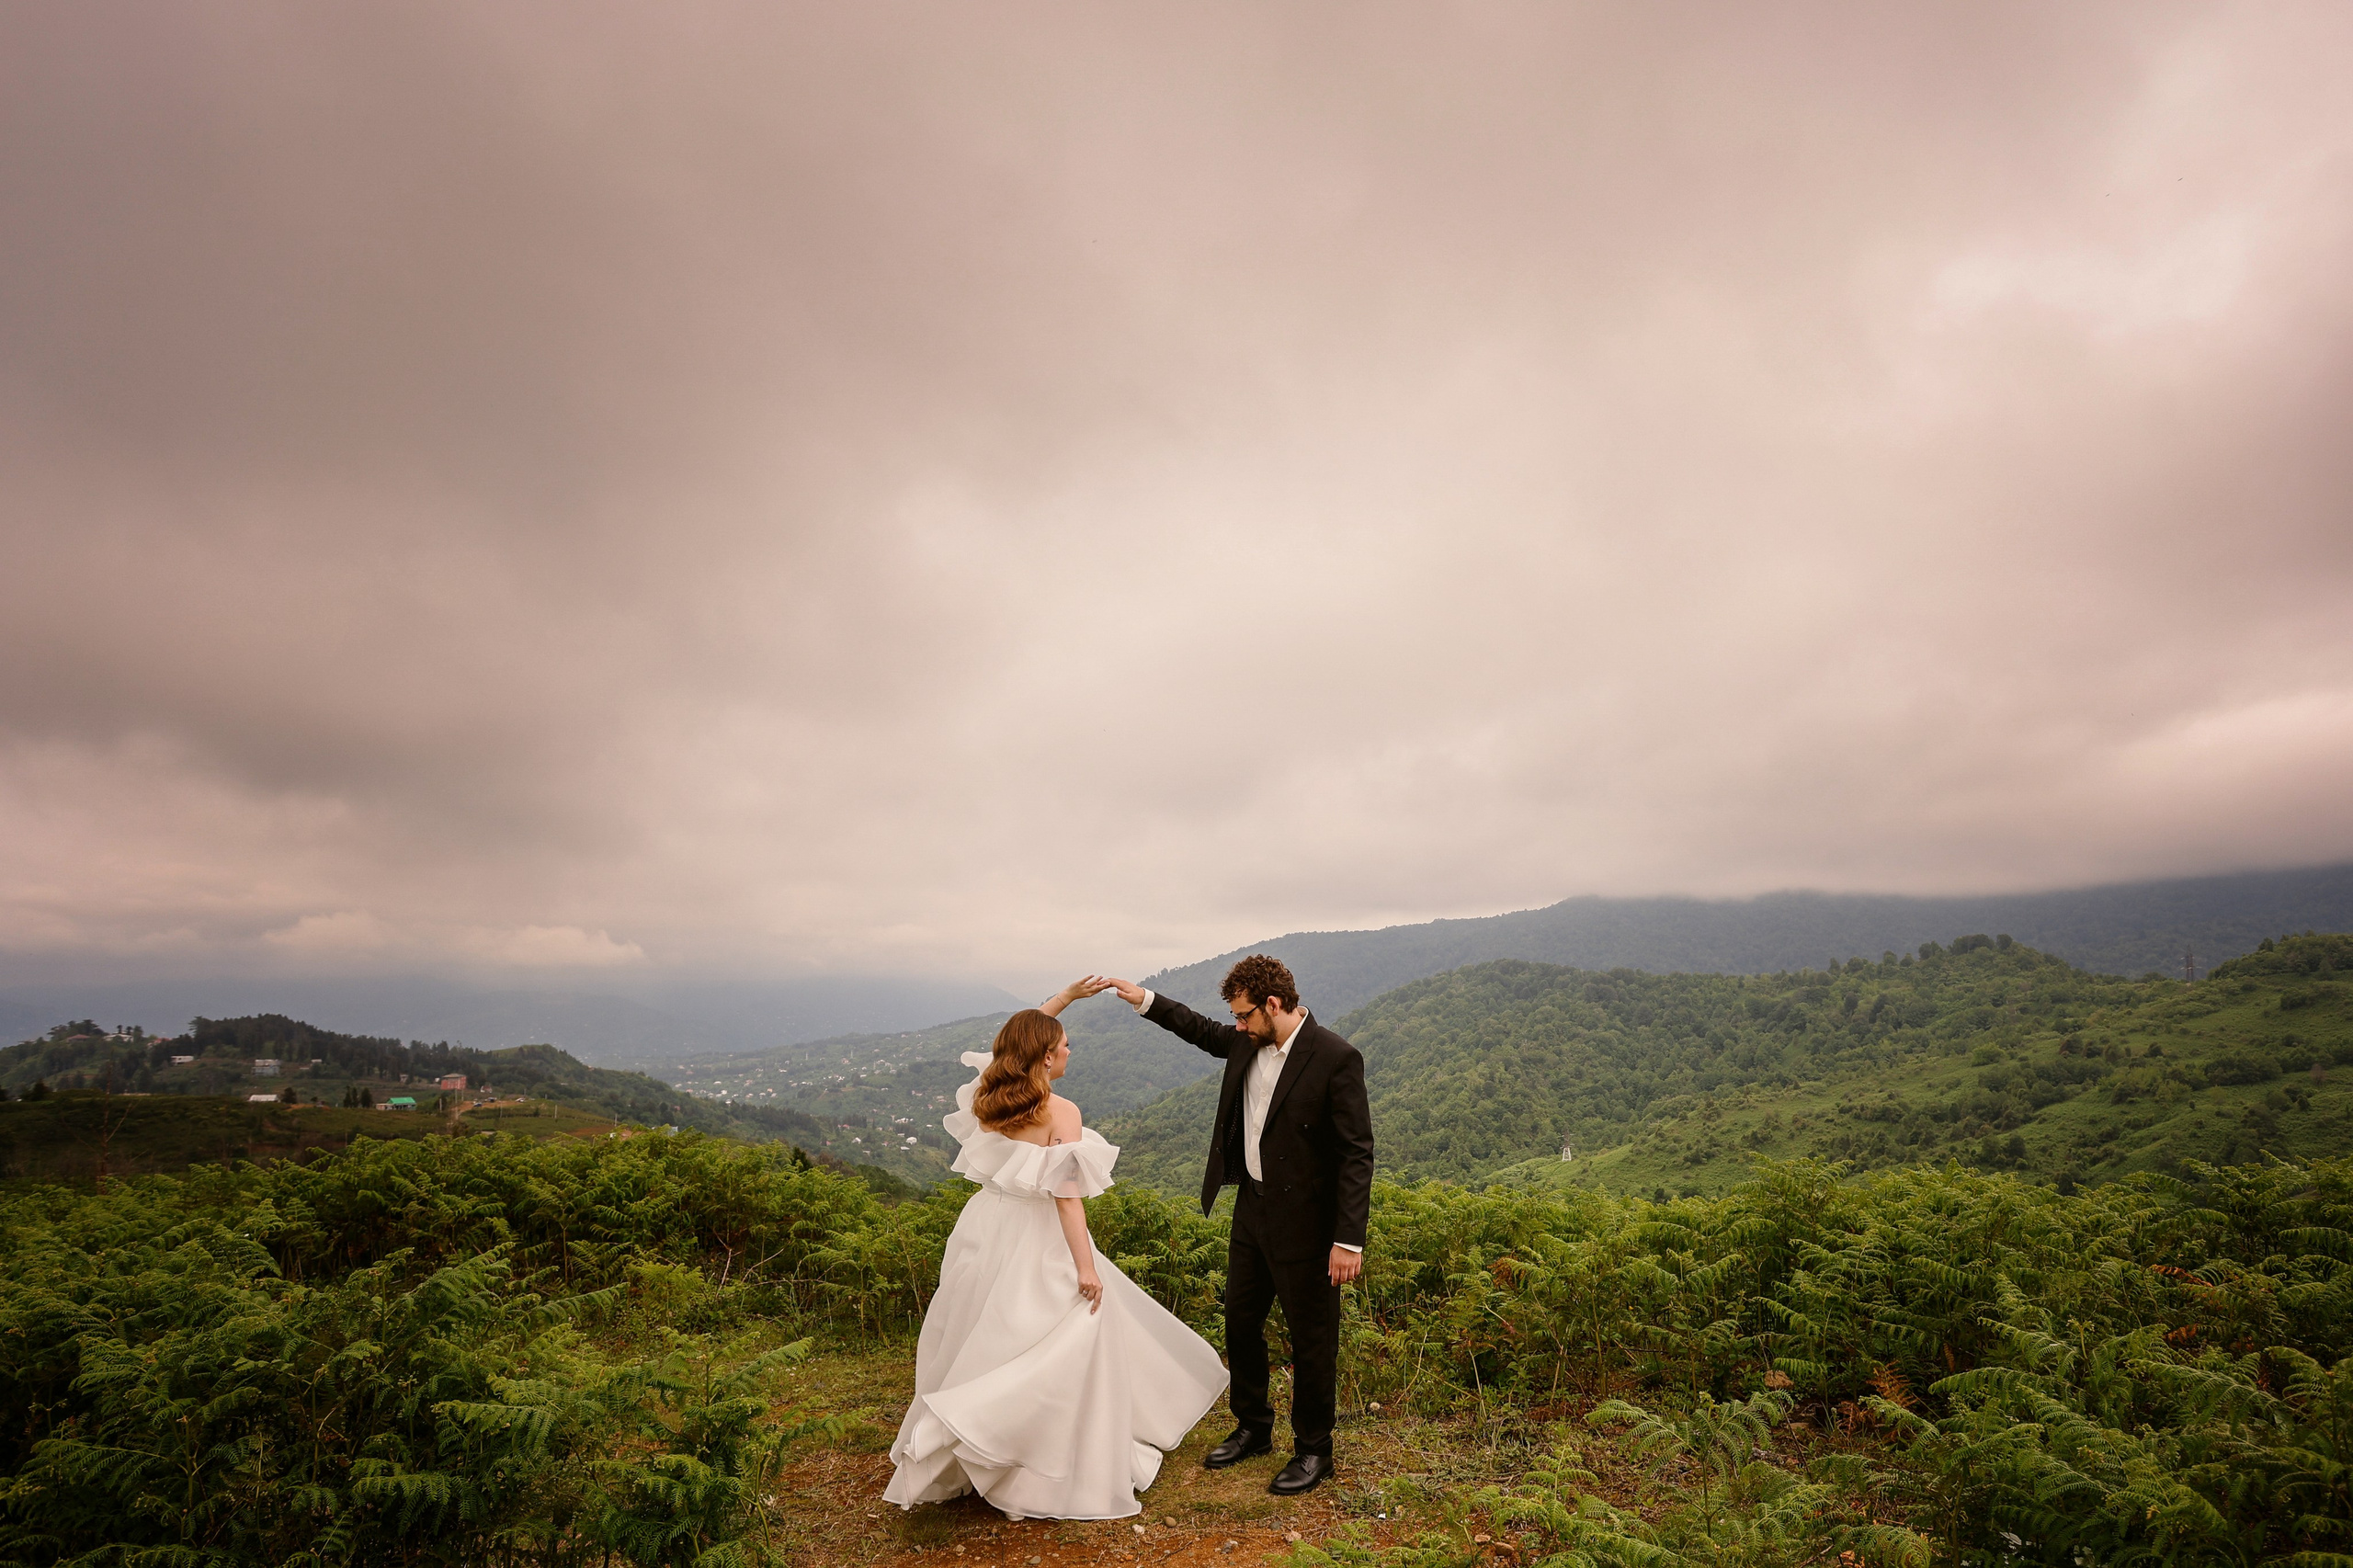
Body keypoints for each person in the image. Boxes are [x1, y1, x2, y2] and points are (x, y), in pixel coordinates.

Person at [883, 977, 1226, 1521]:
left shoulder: (986, 1097)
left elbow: (1009, 1046)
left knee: (980, 1335)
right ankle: (1030, 1460)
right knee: (1064, 1335)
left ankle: (975, 1445)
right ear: (1046, 1056)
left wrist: (1063, 1001)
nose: (1071, 1049)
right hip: (1038, 1236)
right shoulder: (1060, 1113)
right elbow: (1068, 1200)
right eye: (1063, 1043)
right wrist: (1087, 1268)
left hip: (983, 1230)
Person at [1103, 956, 1374, 1497]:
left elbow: (1356, 1153)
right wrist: (1145, 1000)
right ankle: (1253, 1427)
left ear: (1273, 1006)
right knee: (1241, 1321)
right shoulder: (1247, 1042)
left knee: (1311, 1337)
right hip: (1252, 1209)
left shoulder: (1336, 1057)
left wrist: (1348, 1239)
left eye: (1245, 1016)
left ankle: (1314, 1450)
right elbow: (1201, 1030)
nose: (1238, 1026)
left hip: (1310, 1225)